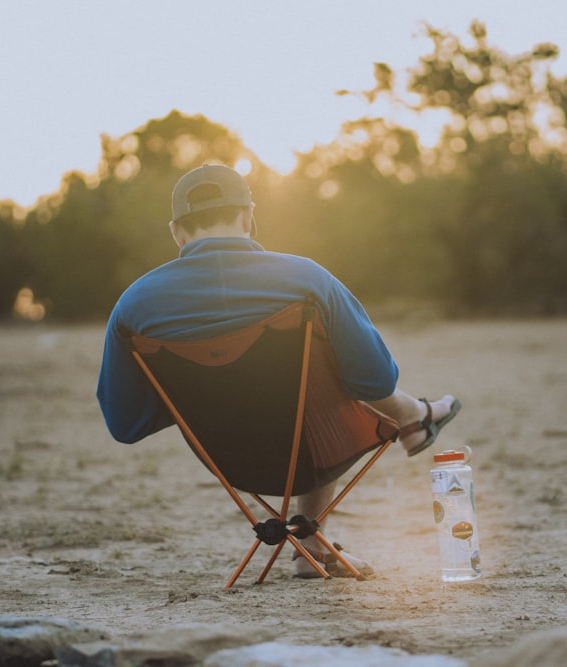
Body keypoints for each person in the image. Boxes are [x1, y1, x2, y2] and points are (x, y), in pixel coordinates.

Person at [97, 163, 461, 578]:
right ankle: (413, 417)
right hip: (313, 448)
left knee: (319, 373)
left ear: (176, 231)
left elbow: (124, 424)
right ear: (249, 217)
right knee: (329, 369)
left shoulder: (133, 306)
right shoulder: (306, 279)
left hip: (231, 462)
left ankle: (310, 551)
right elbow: (374, 380)